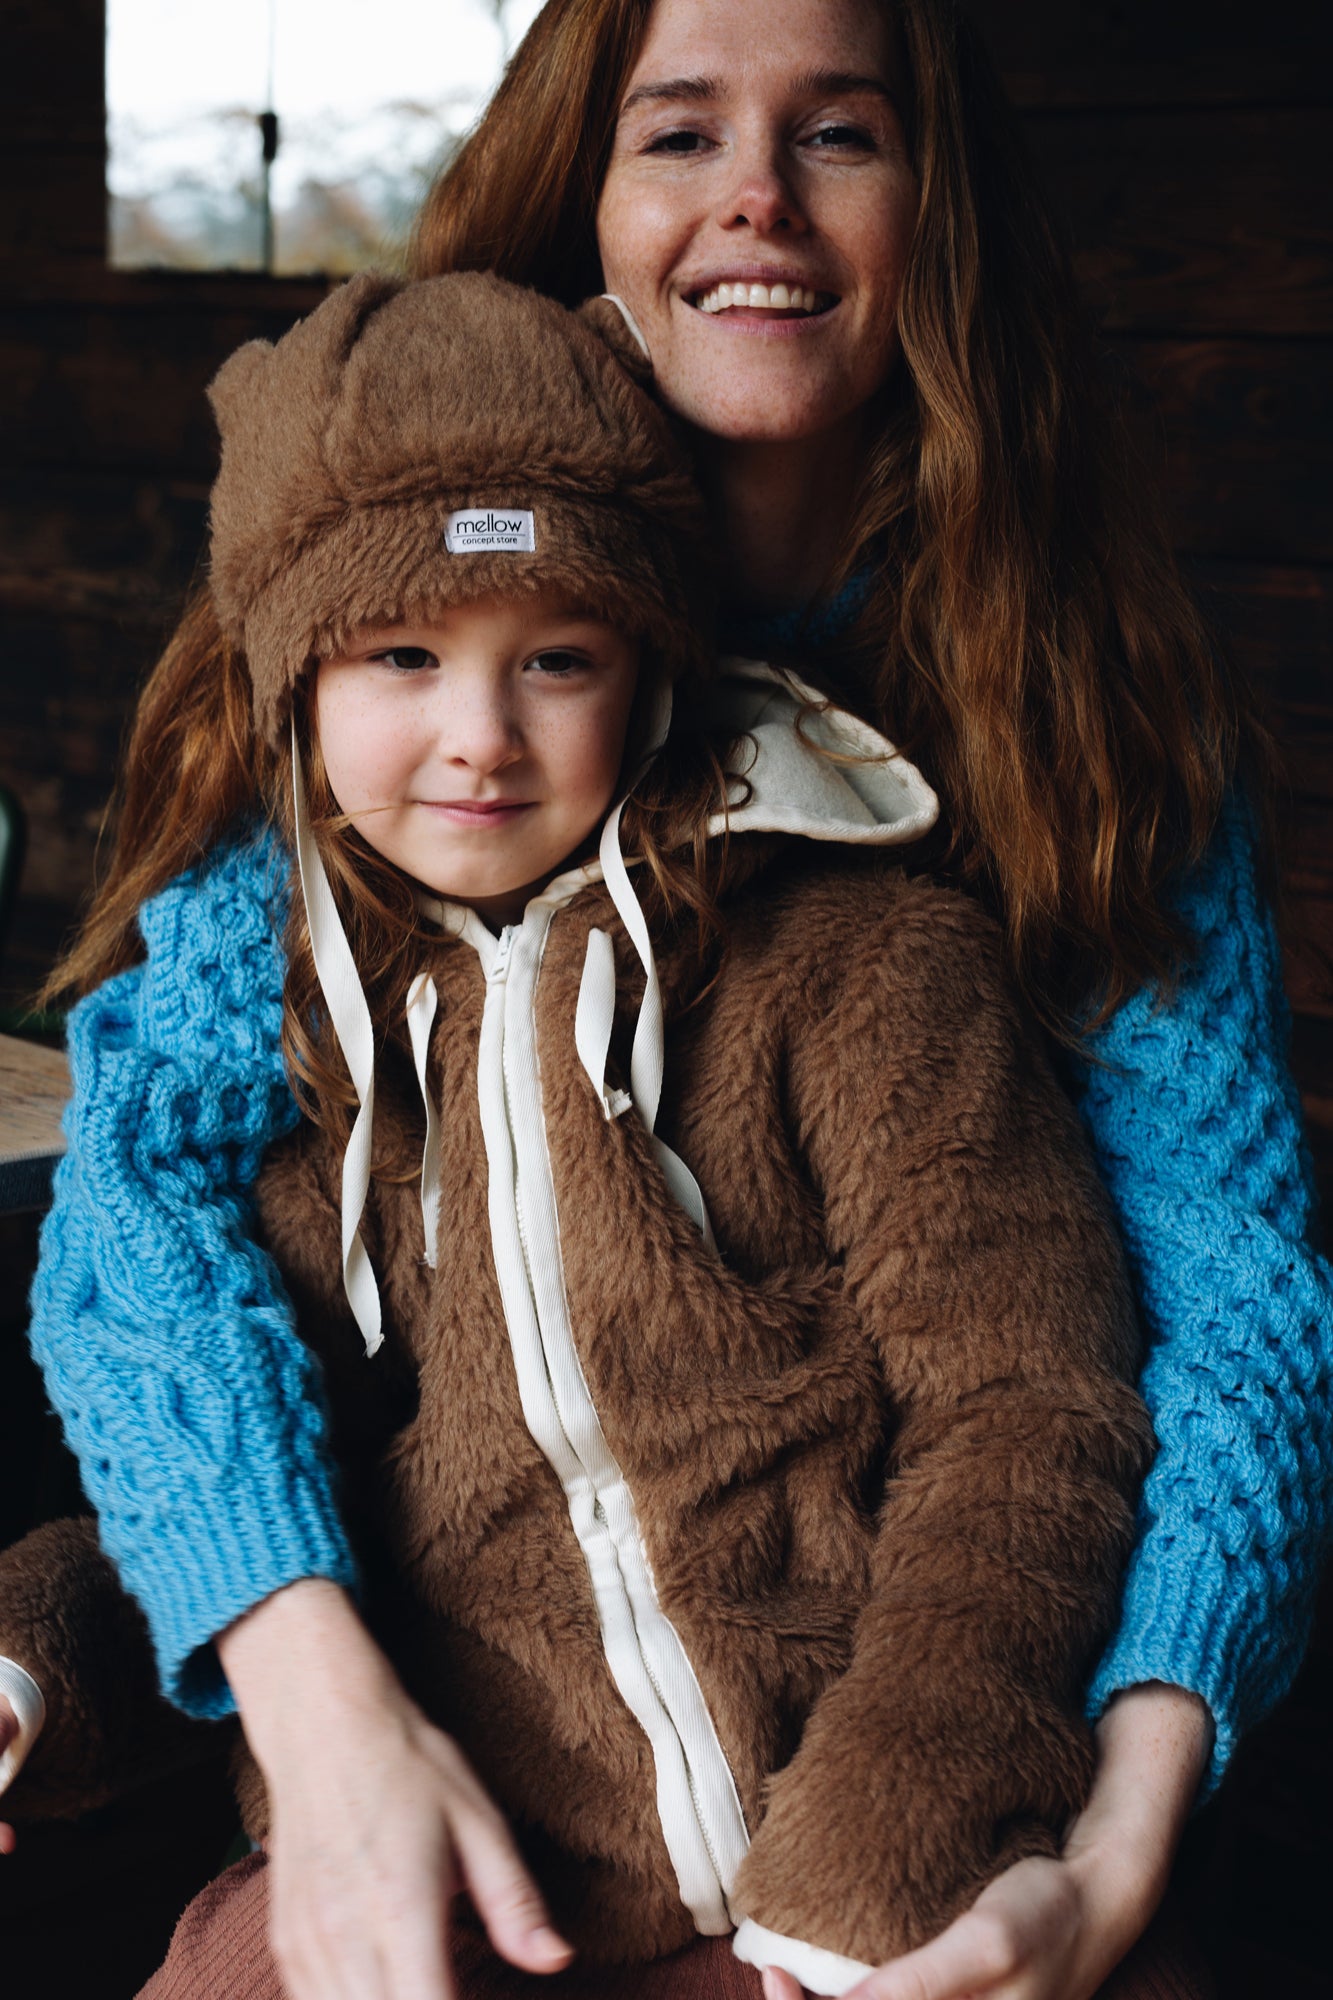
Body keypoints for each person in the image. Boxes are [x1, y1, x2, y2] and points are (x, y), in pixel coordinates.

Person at [13, 1, 1333, 1997]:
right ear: (587, 189)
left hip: (965, 1715)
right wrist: (308, 1688)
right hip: (496, 1752)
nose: (753, 201)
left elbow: (1219, 1313)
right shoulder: (383, 640)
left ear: (933, 207)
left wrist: (1116, 1829)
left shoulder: (1079, 713)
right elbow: (158, 1202)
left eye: (839, 134)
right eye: (679, 132)